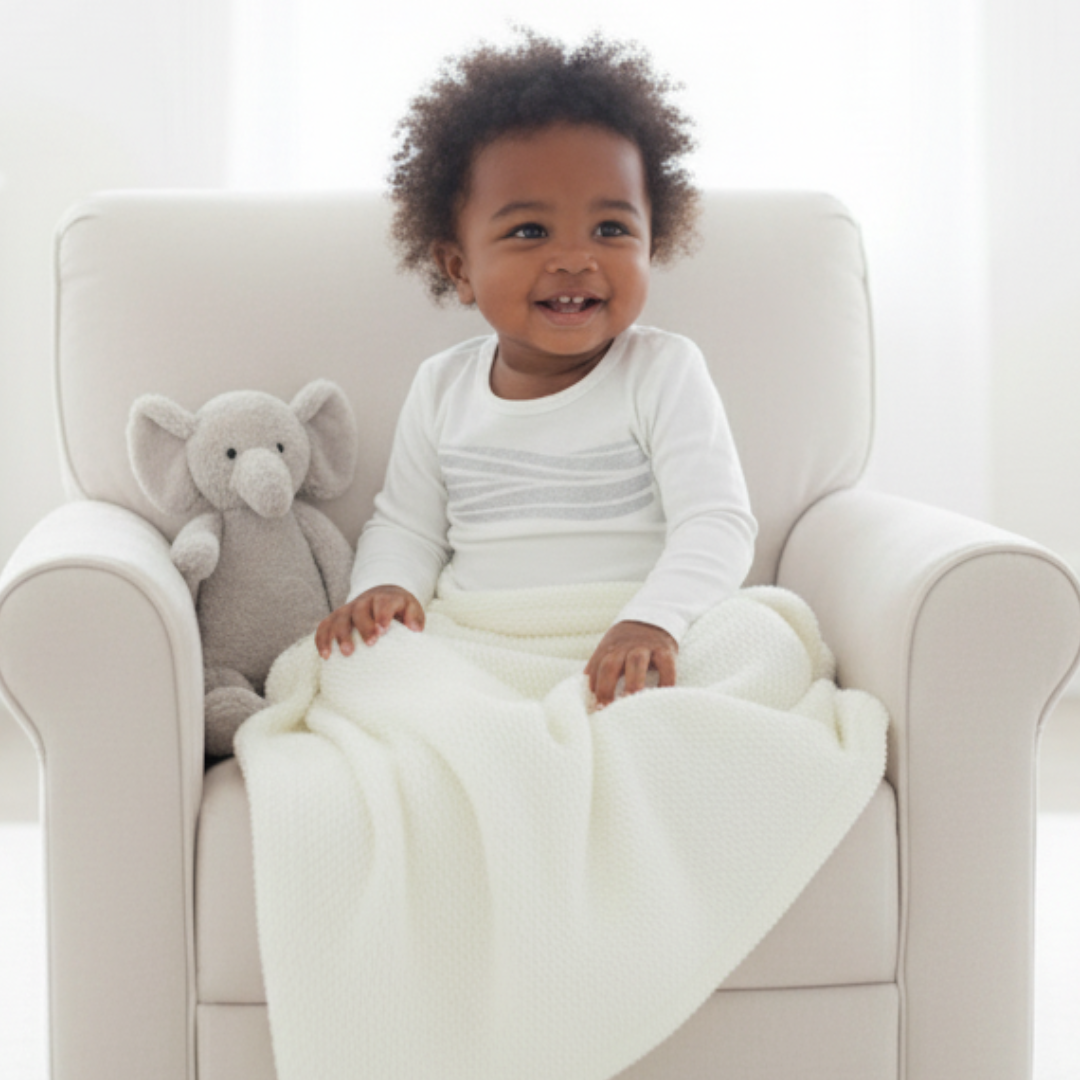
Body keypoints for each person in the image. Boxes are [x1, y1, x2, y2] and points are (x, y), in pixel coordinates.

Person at [315, 30, 757, 708]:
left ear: (652, 243)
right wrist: (384, 591)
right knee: (357, 673)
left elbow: (717, 523)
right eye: (529, 232)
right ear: (459, 268)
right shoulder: (443, 387)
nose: (576, 259)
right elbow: (406, 526)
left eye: (611, 230)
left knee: (759, 647)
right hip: (485, 638)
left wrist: (653, 620)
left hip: (628, 630)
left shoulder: (662, 371)